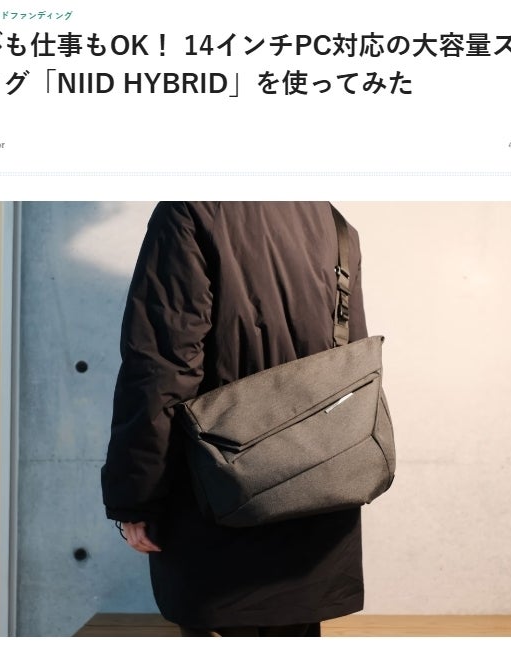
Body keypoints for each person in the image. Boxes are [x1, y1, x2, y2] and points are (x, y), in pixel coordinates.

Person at [101, 201, 370, 636]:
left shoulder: (189, 210)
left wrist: (137, 497)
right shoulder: (335, 223)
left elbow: (161, 369)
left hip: (218, 505)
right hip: (317, 505)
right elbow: (350, 369)